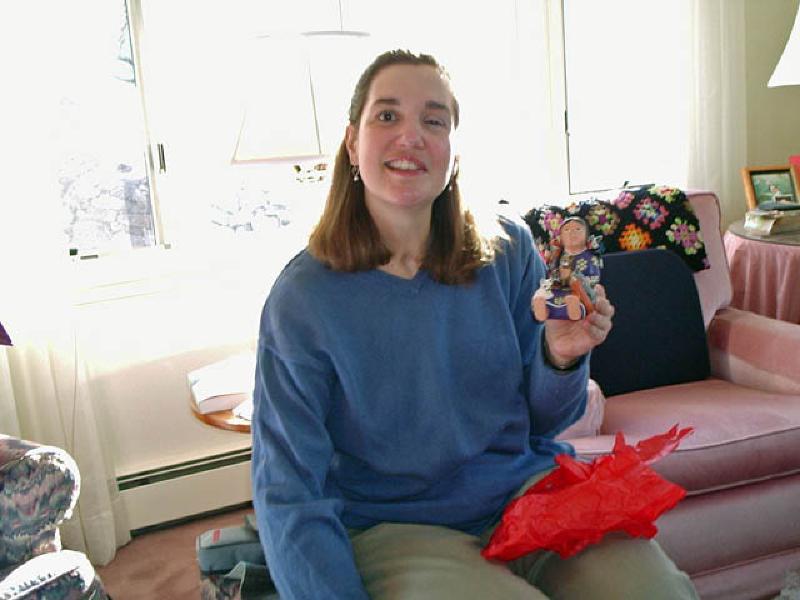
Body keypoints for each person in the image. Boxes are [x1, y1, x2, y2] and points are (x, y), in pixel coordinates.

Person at [251, 49, 698, 599]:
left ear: (453, 151)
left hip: (523, 491)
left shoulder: (508, 251)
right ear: (351, 143)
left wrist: (560, 359)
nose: (411, 137)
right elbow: (288, 487)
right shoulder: (303, 298)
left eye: (433, 121)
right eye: (386, 116)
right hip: (395, 524)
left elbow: (546, 423)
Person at [532, 216, 601, 321]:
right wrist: (557, 277)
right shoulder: (559, 256)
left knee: (576, 299)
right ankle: (542, 310)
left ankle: (575, 309)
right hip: (559, 290)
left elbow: (593, 277)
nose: (572, 233)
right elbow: (552, 272)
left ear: (586, 236)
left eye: (578, 229)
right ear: (561, 238)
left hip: (579, 292)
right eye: (567, 230)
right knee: (543, 293)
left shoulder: (589, 257)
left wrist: (573, 279)